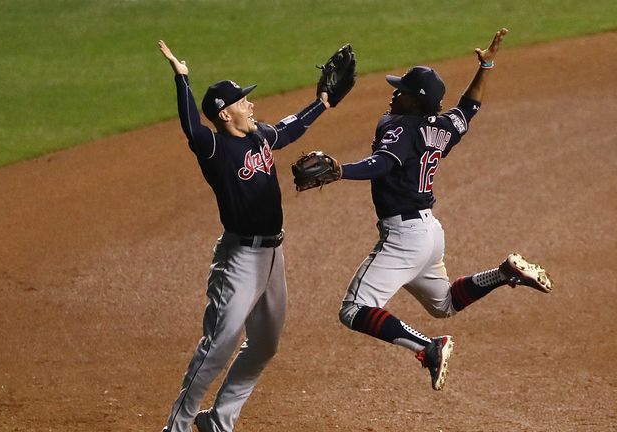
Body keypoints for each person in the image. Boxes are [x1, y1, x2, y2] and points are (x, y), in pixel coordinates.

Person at [328, 28, 553, 391]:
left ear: (414, 102)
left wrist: (341, 171)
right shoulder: (443, 126)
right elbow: (469, 107)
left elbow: (381, 164)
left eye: (400, 90)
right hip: (430, 234)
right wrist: (487, 66)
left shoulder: (396, 126)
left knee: (353, 310)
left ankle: (428, 347)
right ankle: (503, 273)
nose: (393, 93)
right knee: (445, 303)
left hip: (404, 238)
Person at [157, 40, 344, 432]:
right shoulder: (216, 148)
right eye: (242, 101)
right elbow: (192, 127)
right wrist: (183, 80)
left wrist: (321, 103)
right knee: (219, 344)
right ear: (225, 113)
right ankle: (176, 425)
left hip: (274, 256)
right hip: (239, 258)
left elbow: (290, 128)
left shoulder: (259, 135)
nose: (250, 104)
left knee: (265, 344)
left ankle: (218, 421)